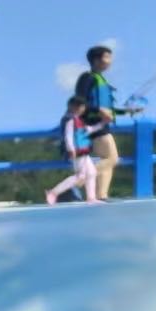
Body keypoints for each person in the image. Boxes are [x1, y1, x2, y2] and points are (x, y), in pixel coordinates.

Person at [72, 45, 142, 202]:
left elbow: (108, 109)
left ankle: (101, 195)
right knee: (112, 158)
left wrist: (128, 111)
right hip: (92, 125)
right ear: (96, 60)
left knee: (108, 159)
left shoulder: (102, 80)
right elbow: (78, 103)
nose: (110, 61)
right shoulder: (87, 78)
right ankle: (75, 184)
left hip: (102, 125)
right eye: (106, 57)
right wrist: (98, 110)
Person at [45, 95, 98, 205]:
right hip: (77, 151)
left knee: (92, 172)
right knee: (80, 175)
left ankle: (91, 198)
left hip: (83, 150)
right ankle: (53, 192)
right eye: (80, 106)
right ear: (73, 107)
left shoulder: (77, 119)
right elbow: (68, 135)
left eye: (83, 106)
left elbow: (86, 131)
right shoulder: (70, 119)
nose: (82, 109)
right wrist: (71, 149)